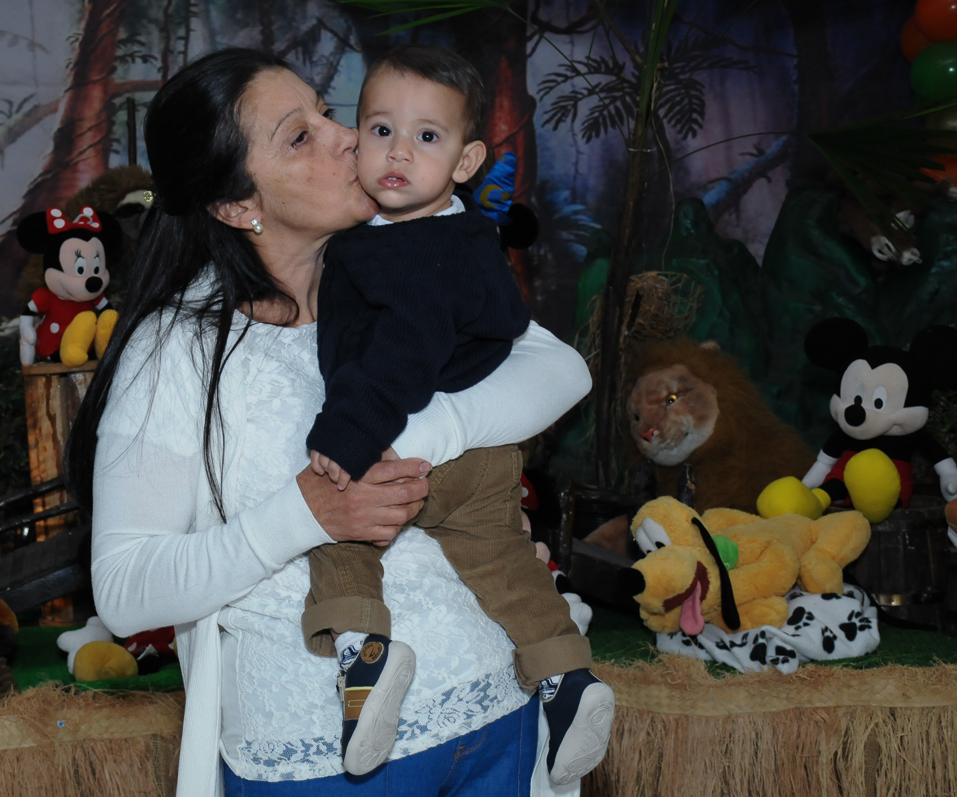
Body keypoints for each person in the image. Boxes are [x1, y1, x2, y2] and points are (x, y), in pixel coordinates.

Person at [67, 47, 600, 797]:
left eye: (326, 110)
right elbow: (124, 590)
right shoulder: (179, 346)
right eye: (299, 135)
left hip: (491, 711)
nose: (345, 135)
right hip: (319, 756)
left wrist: (432, 430)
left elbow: (561, 371)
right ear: (236, 203)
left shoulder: (404, 259)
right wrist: (306, 513)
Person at [301, 45, 613, 785]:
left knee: (332, 527)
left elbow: (403, 354)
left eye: (427, 137)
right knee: (504, 563)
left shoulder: (403, 249)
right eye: (380, 130)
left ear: (468, 159)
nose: (398, 152)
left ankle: (365, 655)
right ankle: (569, 677)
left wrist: (348, 434)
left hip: (405, 445)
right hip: (488, 460)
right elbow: (505, 322)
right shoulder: (469, 237)